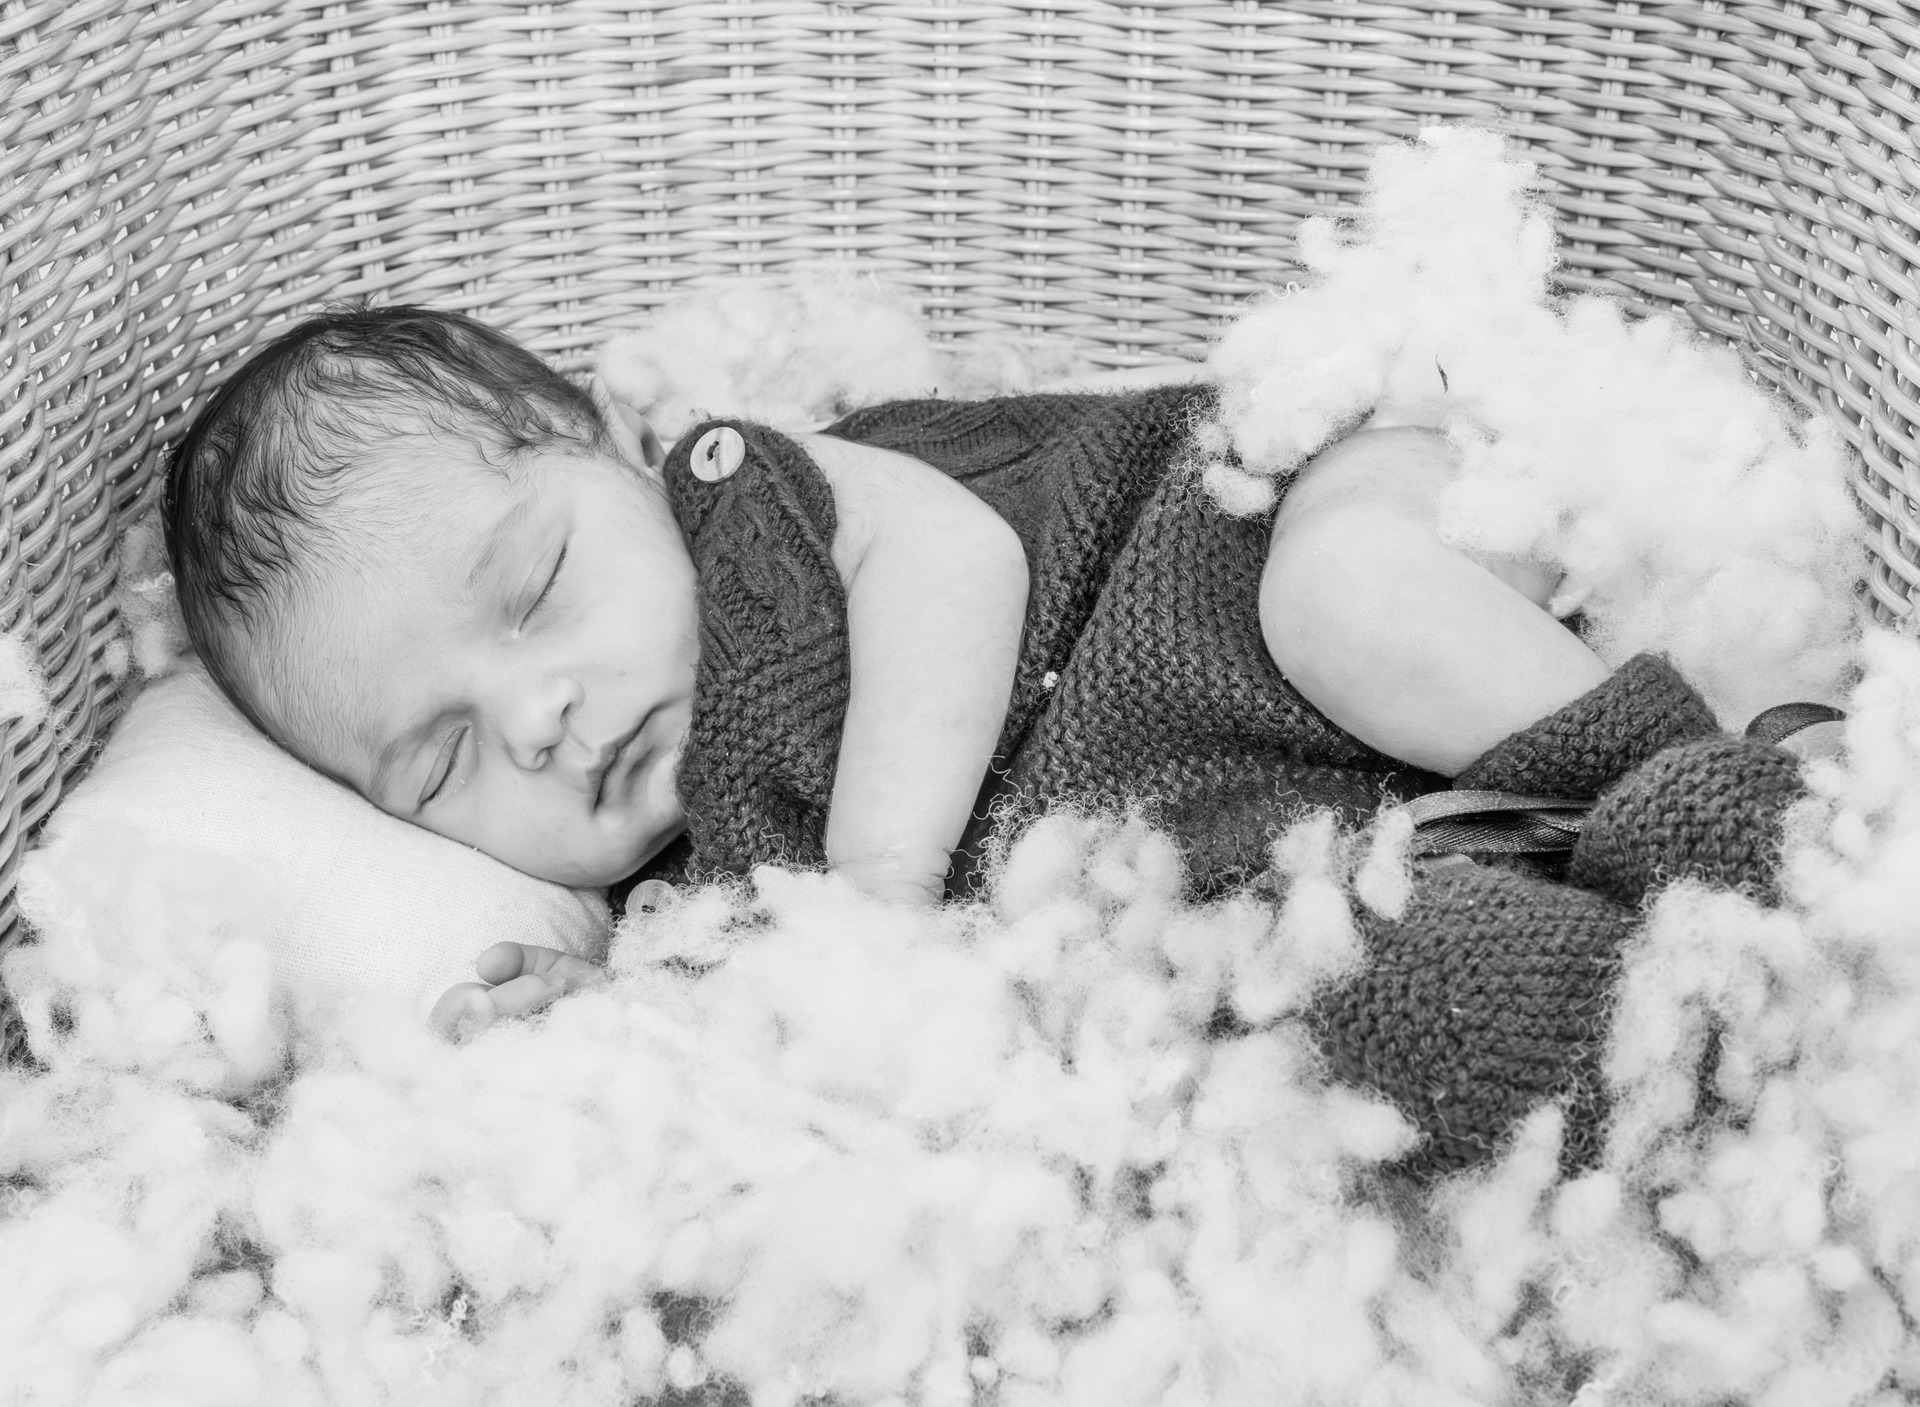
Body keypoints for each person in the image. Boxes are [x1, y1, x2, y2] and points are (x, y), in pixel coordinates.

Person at [166, 304, 1804, 1171]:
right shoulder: (690, 900)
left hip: (1247, 544)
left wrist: (874, 895)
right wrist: (611, 1017)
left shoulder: (749, 504)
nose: (537, 717)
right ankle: (1681, 992)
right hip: (1286, 815)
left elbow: (960, 564)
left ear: (606, 451)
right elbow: (744, 1036)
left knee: (1354, 602)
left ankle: (1753, 792)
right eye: (440, 762)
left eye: (536, 590)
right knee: (1371, 1010)